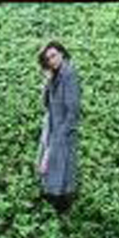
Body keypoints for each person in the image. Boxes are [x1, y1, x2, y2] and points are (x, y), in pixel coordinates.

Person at [37, 41, 81, 212]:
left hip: (63, 130)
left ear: (62, 53)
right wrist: (47, 82)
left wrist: (59, 137)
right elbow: (45, 104)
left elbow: (72, 111)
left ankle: (63, 209)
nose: (51, 60)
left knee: (60, 171)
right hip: (52, 125)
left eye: (54, 56)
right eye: (48, 59)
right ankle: (54, 205)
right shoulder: (54, 75)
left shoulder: (69, 74)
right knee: (48, 168)